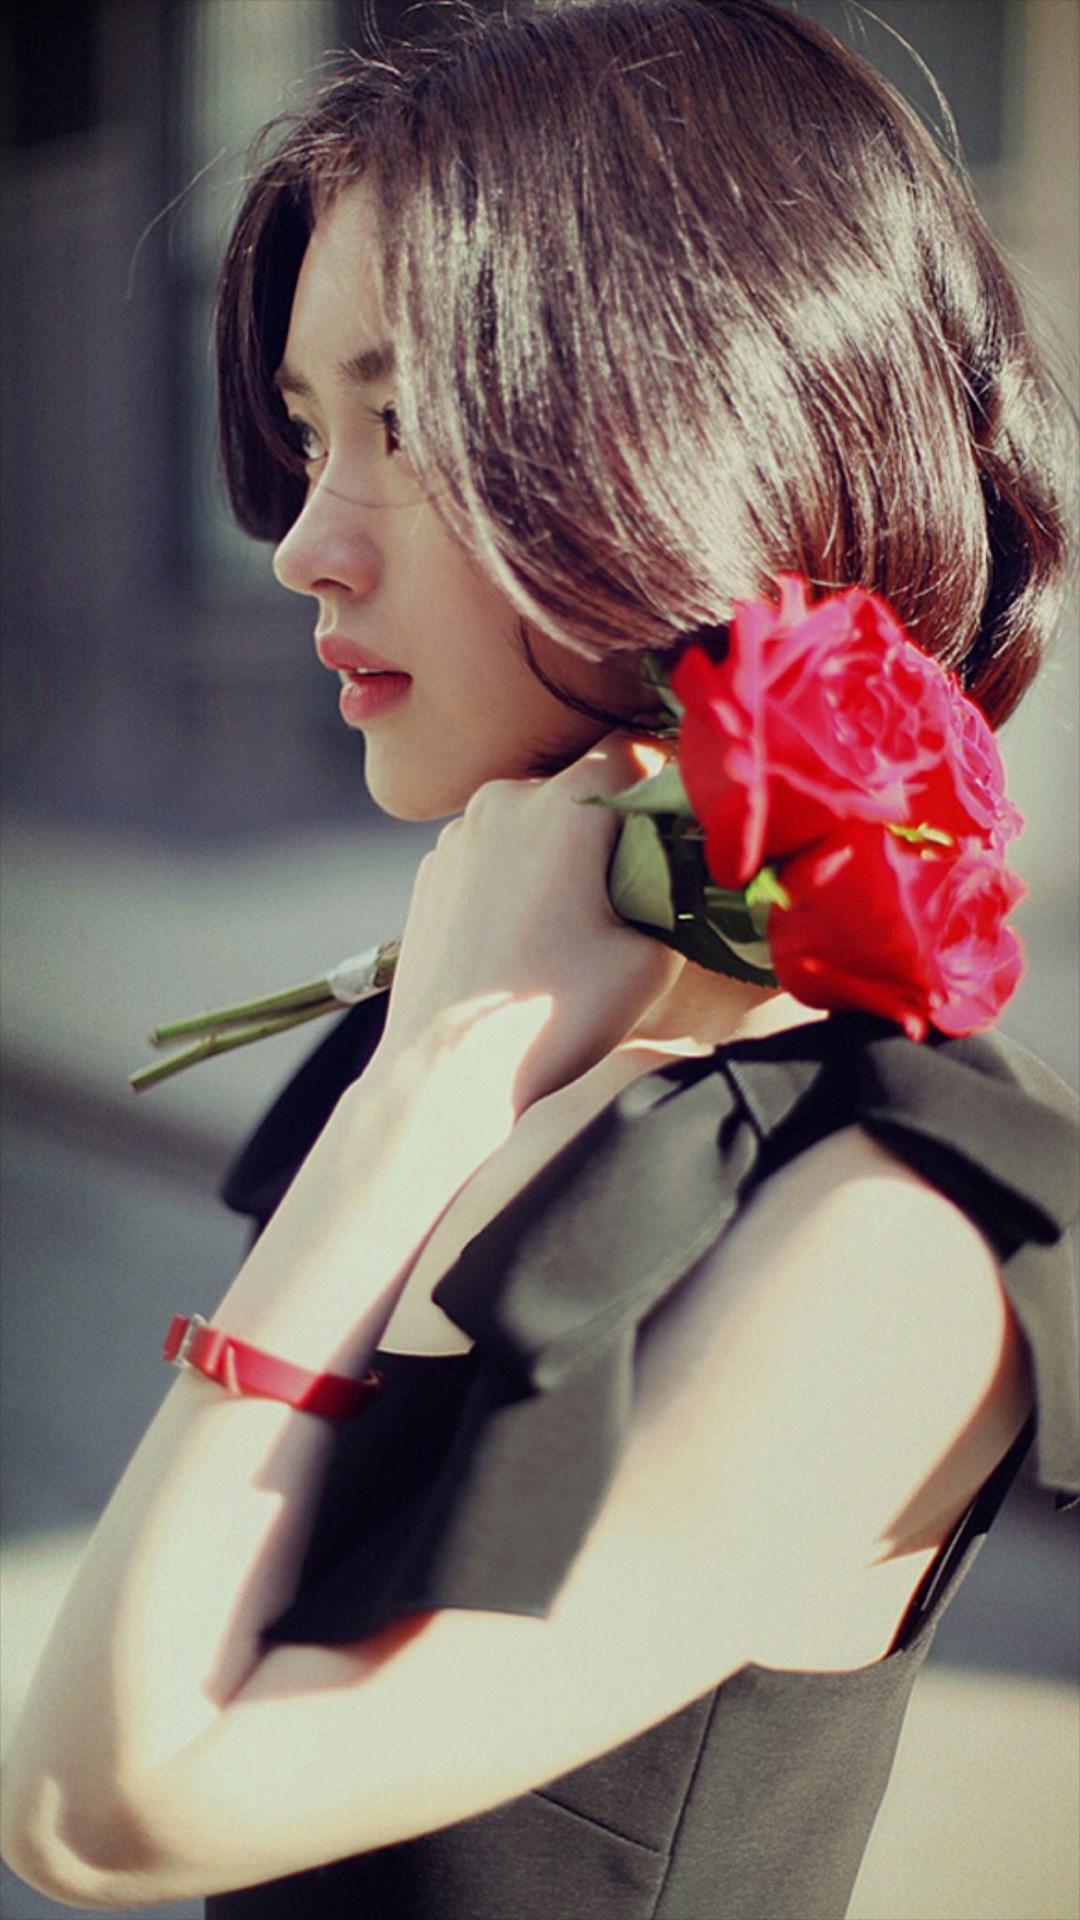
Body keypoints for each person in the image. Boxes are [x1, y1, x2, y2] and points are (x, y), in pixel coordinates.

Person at [3, 1, 1077, 1915]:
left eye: (405, 425)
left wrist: (432, 1082)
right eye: (308, 429)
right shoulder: (480, 1059)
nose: (303, 548)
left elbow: (107, 1810)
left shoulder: (883, 1237)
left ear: (697, 443)